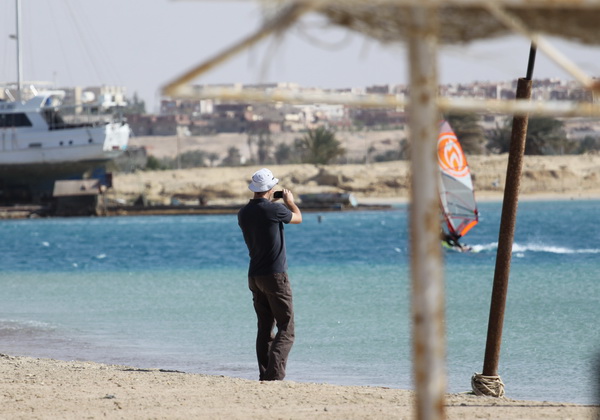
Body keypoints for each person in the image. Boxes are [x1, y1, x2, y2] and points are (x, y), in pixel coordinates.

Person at [238, 168, 302, 381]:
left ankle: (265, 373)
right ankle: (274, 375)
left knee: (264, 327)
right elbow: (298, 218)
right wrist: (290, 201)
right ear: (270, 189)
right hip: (275, 275)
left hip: (254, 275)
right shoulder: (274, 211)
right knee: (287, 326)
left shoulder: (244, 212)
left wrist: (273, 203)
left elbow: (262, 215)